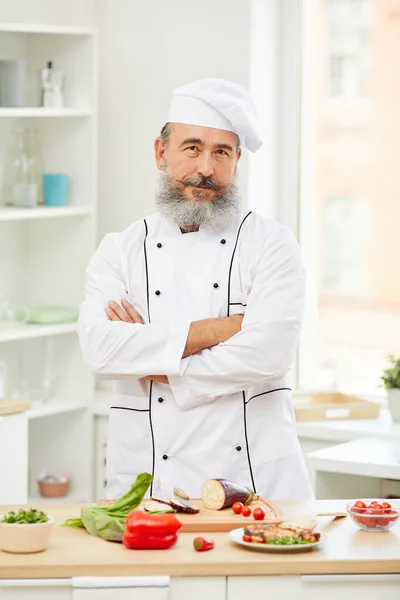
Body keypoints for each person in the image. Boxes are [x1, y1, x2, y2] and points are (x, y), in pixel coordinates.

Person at [78, 78, 314, 501]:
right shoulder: (121, 249)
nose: (205, 167)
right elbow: (99, 349)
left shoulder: (272, 245)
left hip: (257, 491)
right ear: (160, 152)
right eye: (192, 148)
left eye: (221, 152)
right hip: (148, 489)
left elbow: (267, 355)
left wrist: (149, 360)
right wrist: (225, 328)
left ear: (237, 159)